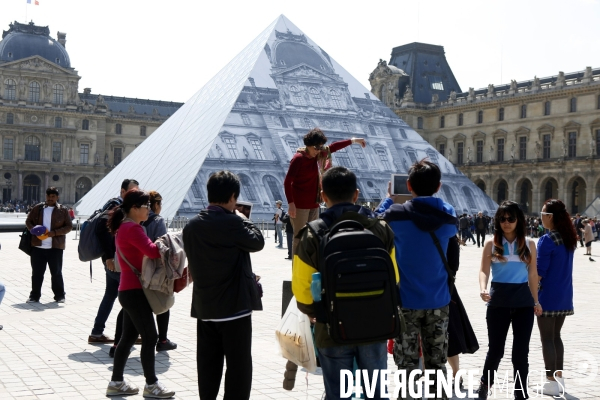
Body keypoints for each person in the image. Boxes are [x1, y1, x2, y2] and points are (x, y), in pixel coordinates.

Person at [293, 166, 398, 400]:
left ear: (323, 196)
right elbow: (395, 279)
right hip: (376, 325)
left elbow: (302, 290)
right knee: (377, 393)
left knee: (338, 394)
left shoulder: (312, 234)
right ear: (356, 195)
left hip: (331, 328)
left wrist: (315, 313)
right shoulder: (381, 230)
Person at [379, 159, 458, 399]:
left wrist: (390, 198)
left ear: (409, 185)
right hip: (438, 300)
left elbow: (375, 220)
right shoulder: (448, 215)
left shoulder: (396, 216)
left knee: (407, 367)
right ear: (439, 186)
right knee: (437, 364)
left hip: (406, 301)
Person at [183, 171, 264, 400]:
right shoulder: (234, 223)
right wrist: (242, 217)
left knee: (207, 368)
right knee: (238, 368)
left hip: (205, 309)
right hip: (234, 309)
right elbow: (257, 241)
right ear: (232, 197)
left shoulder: (191, 226)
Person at [105, 189, 174, 398]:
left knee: (127, 338)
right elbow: (152, 251)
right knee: (150, 336)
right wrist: (165, 242)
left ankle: (116, 382)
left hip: (128, 290)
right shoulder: (133, 229)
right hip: (135, 291)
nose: (149, 210)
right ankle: (151, 384)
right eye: (146, 206)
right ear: (135, 208)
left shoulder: (125, 227)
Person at [476, 201, 542, 400]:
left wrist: (536, 301)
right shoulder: (492, 243)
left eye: (511, 219)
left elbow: (532, 276)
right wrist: (483, 288)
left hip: (523, 303)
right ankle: (484, 387)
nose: (506, 222)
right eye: (502, 219)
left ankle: (520, 391)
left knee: (521, 352)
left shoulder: (529, 244)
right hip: (498, 303)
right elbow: (483, 270)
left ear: (518, 220)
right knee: (495, 350)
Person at [284, 127, 366, 256]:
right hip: (299, 205)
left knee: (313, 236)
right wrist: (291, 203)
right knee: (299, 239)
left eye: (320, 147)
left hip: (314, 203)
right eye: (316, 147)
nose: (318, 150)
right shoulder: (299, 158)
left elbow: (333, 147)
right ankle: (297, 272)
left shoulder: (319, 155)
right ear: (308, 145)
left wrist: (353, 141)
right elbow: (287, 182)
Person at [89, 179, 139, 348]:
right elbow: (103, 231)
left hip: (115, 260)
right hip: (115, 262)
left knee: (110, 295)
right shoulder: (116, 207)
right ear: (123, 191)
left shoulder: (121, 206)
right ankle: (129, 333)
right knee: (130, 297)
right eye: (132, 191)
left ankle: (97, 332)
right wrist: (109, 258)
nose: (135, 194)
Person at [534, 199, 576, 396]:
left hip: (548, 295)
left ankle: (550, 381)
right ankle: (559, 377)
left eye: (543, 214)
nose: (540, 217)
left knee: (546, 339)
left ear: (550, 217)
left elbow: (539, 272)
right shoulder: (568, 238)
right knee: (556, 336)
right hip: (565, 294)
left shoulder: (547, 240)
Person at [142, 191, 177, 352]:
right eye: (160, 204)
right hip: (154, 268)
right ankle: (162, 340)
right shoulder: (157, 221)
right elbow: (162, 245)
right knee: (162, 302)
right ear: (155, 205)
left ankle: (119, 343)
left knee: (136, 306)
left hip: (137, 268)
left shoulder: (136, 219)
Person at [25, 187, 73, 303]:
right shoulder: (38, 208)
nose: (50, 199)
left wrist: (53, 233)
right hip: (38, 246)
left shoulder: (63, 210)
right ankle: (34, 296)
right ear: (45, 196)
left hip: (55, 247)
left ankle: (60, 295)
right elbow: (28, 221)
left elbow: (69, 226)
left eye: (53, 197)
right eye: (48, 196)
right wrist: (33, 230)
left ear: (57, 197)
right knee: (37, 273)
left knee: (56, 272)